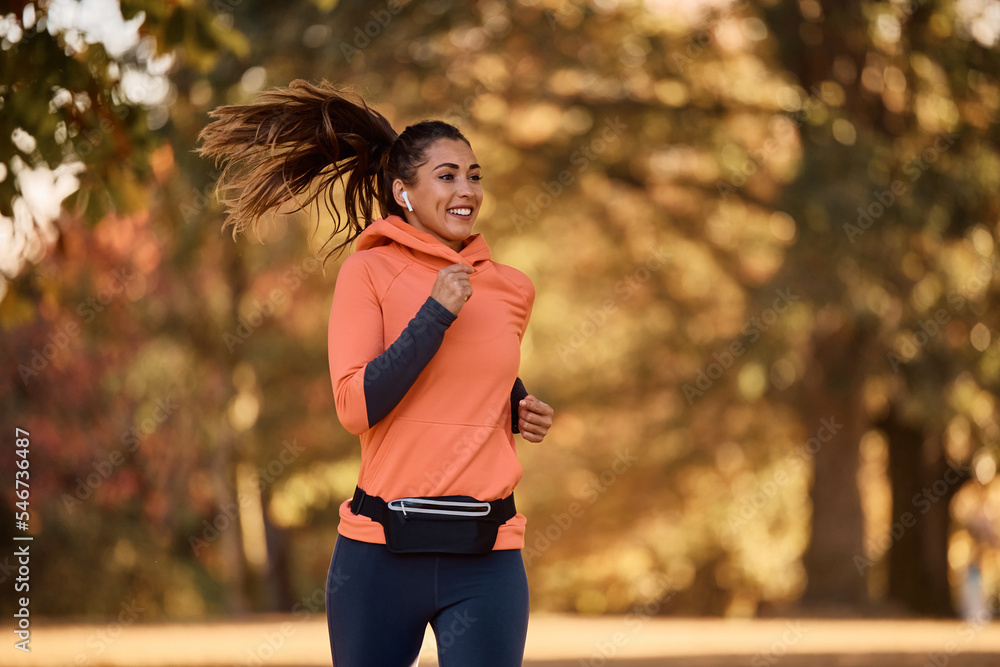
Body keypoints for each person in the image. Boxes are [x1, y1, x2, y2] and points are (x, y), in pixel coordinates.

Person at [197, 79, 554, 666]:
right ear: (404, 193)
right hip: (380, 554)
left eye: (474, 175)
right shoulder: (368, 274)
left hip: (487, 553)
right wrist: (435, 314)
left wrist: (517, 404)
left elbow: (478, 371)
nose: (466, 189)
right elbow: (356, 405)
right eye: (447, 176)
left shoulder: (513, 287)